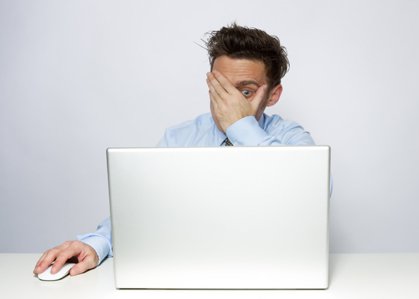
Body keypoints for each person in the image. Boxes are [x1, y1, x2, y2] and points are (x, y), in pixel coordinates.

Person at [33, 23, 315, 277]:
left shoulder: (292, 139)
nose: (227, 102)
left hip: (269, 274)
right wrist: (97, 244)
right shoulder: (180, 137)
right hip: (189, 275)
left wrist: (240, 126)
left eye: (245, 92)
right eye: (220, 88)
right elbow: (143, 207)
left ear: (273, 95)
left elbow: (307, 196)